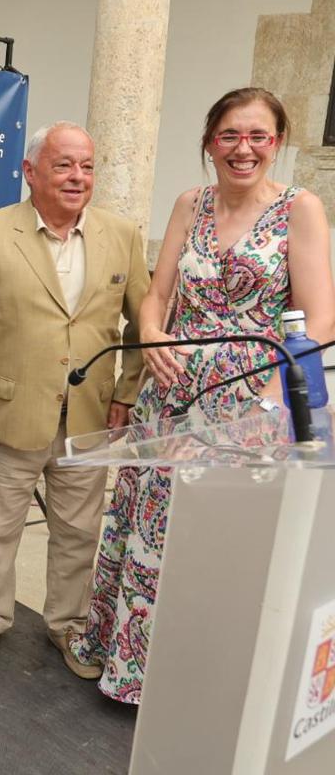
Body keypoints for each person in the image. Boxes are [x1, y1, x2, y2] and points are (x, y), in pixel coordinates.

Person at [69, 88, 335, 703]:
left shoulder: (301, 209)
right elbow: (156, 294)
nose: (243, 150)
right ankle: (132, 674)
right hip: (171, 396)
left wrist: (271, 404)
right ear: (210, 142)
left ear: (277, 144)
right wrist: (155, 332)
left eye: (258, 137)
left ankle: (200, 690)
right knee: (153, 532)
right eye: (230, 136)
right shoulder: (191, 203)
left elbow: (320, 320)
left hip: (248, 405)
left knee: (221, 545)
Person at [0, 121, 149, 675]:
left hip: (89, 416)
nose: (78, 177)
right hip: (9, 412)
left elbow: (142, 326)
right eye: (64, 165)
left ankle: (69, 626)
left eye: (87, 166)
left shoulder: (122, 235)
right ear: (31, 172)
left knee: (79, 531)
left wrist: (126, 393)